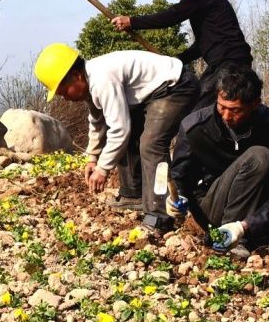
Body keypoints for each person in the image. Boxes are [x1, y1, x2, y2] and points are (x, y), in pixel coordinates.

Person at [169, 67, 269, 256]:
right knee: (259, 156)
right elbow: (179, 176)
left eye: (235, 110)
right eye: (221, 106)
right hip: (214, 206)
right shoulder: (195, 127)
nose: (226, 116)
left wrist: (246, 225)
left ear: (255, 104)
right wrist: (176, 197)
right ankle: (226, 240)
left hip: (257, 207)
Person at [34, 43, 199, 218]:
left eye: (64, 92)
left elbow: (120, 129)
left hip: (177, 86)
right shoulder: (90, 83)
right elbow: (98, 122)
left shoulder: (102, 80)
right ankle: (134, 194)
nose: (66, 98)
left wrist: (103, 169)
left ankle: (160, 213)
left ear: (77, 76)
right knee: (127, 131)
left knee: (151, 144)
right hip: (152, 94)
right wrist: (92, 158)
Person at [111, 0, 252, 110]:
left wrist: (132, 22)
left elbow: (172, 16)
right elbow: (201, 45)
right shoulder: (206, 0)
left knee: (200, 111)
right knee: (201, 105)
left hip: (230, 63)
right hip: (227, 62)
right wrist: (177, 60)